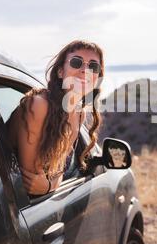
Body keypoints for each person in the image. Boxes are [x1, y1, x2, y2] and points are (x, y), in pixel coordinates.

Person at [6, 40, 104, 196]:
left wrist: (51, 184)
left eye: (93, 66)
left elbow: (55, 174)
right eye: (76, 62)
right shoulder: (38, 106)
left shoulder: (79, 115)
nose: (85, 70)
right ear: (60, 72)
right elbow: (32, 184)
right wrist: (51, 185)